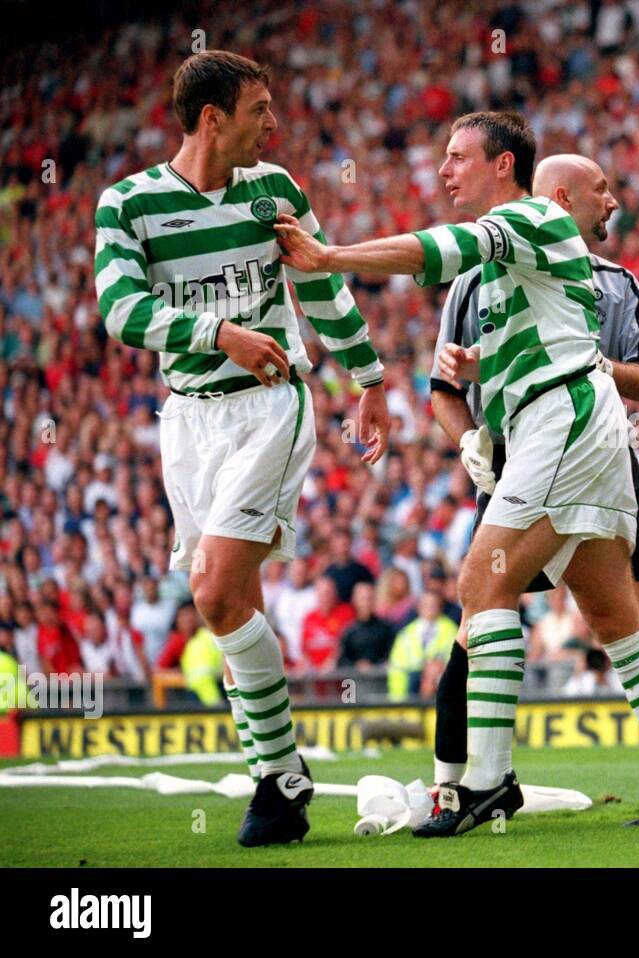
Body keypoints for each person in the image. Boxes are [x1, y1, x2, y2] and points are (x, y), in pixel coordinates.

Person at [276, 112, 639, 834]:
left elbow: (435, 250)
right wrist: (479, 411)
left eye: (458, 157)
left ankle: (485, 783)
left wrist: (327, 259)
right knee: (613, 615)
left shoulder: (527, 218)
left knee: (483, 584)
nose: (445, 171)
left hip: (566, 423)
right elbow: (541, 338)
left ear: (505, 164)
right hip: (580, 424)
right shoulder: (525, 253)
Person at [93, 50, 391, 845]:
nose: (277, 123)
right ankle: (281, 788)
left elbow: (322, 285)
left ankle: (280, 773)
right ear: (213, 118)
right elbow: (120, 310)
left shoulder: (276, 191)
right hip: (187, 421)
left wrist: (368, 377)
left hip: (269, 404)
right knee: (231, 604)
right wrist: (214, 331)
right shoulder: (128, 204)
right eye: (262, 109)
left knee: (216, 591)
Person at [426, 151, 639, 818]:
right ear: (560, 196)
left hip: (590, 445)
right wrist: (467, 437)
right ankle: (452, 781)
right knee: (485, 618)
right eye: (603, 189)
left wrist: (583, 364)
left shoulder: (617, 285)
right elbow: (443, 388)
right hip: (514, 460)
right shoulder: (473, 279)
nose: (614, 200)